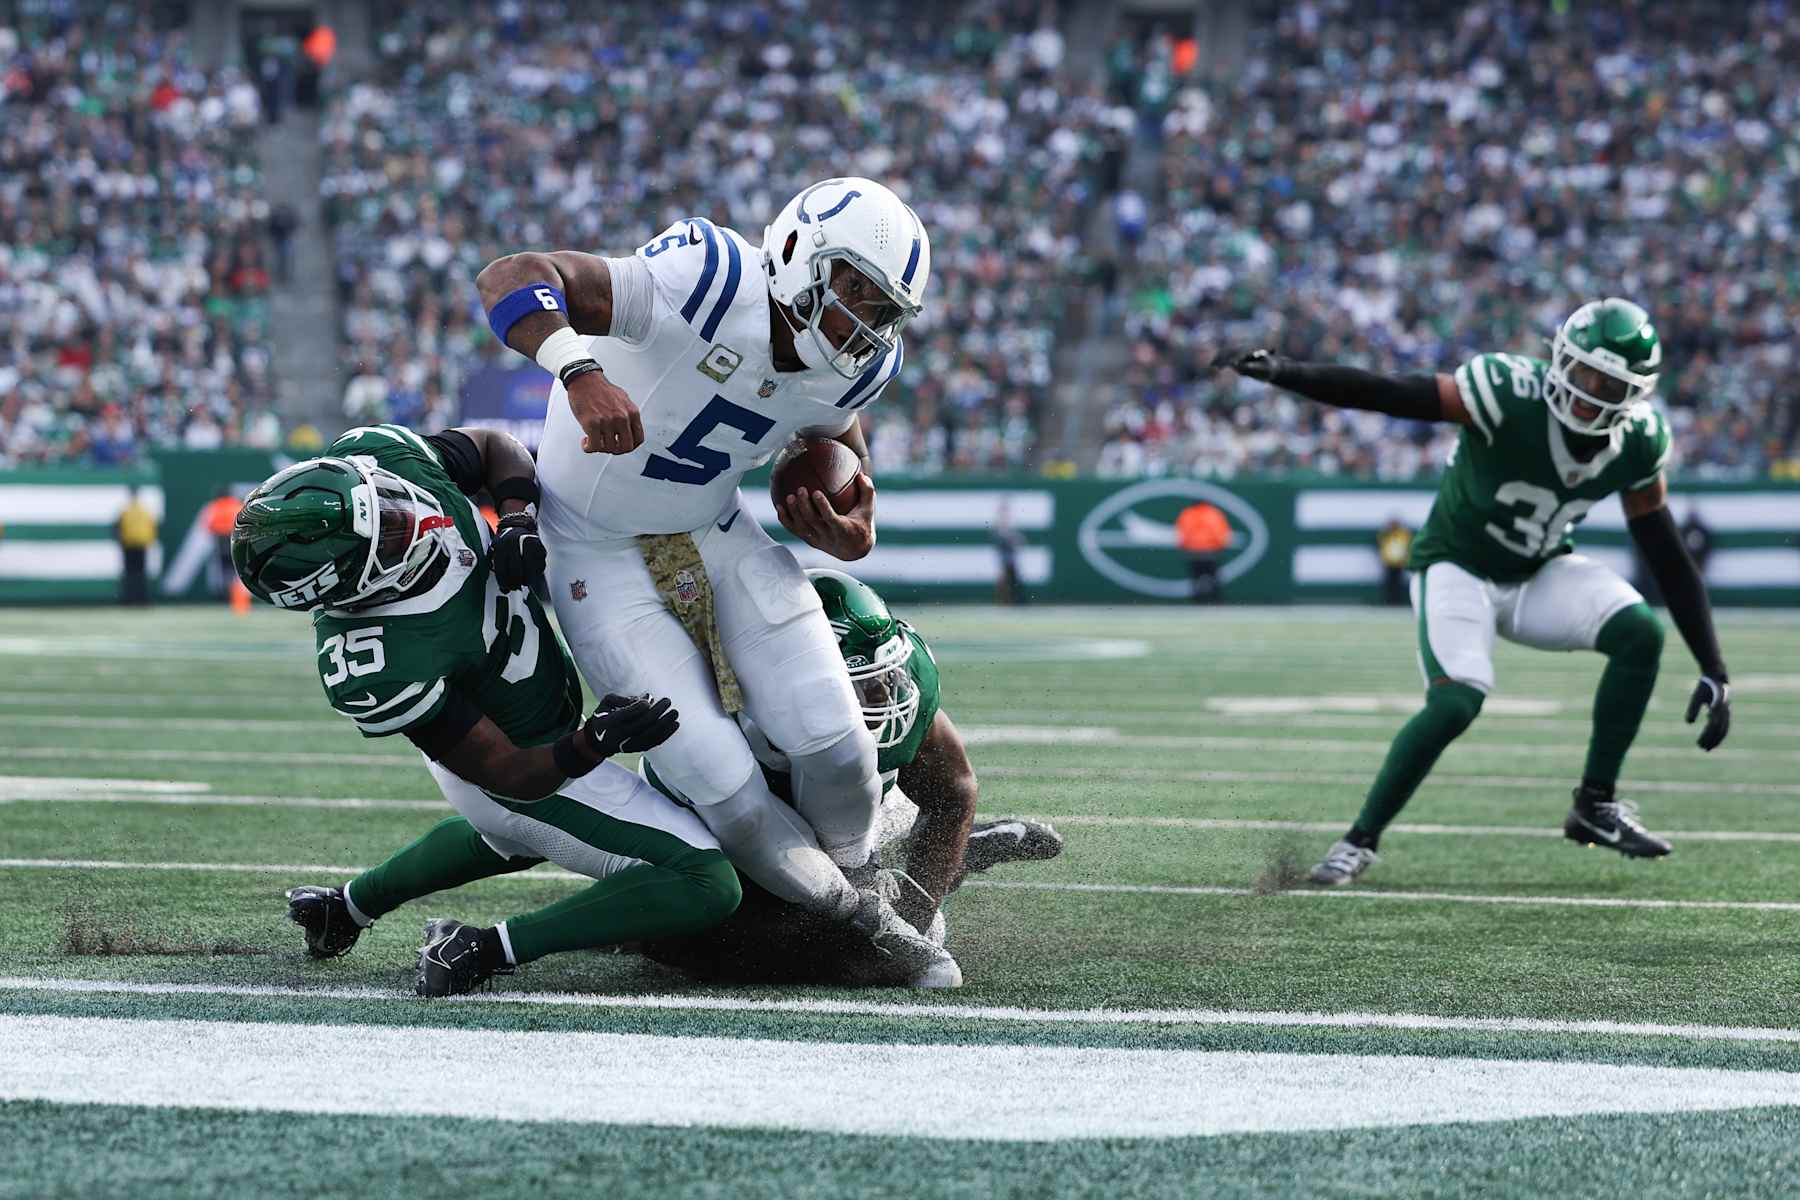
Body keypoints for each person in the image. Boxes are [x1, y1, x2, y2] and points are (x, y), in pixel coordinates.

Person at [474, 177, 959, 987]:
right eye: (854, 294)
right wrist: (579, 371)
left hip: (711, 528)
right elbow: (509, 274)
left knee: (835, 741)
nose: (863, 325)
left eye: (882, 312)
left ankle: (867, 876)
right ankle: (863, 925)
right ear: (801, 255)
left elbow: (835, 432)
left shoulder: (860, 365)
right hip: (594, 549)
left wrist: (851, 517)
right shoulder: (707, 277)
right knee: (722, 783)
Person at [1214, 298, 1732, 884]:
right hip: (1456, 564)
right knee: (1457, 701)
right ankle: (1357, 841)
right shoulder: (1507, 390)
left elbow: (1666, 551)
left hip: (1537, 573)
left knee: (1641, 633)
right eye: (1584, 372)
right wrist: (1288, 372)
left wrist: (1714, 666)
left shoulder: (1639, 438)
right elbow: (1391, 393)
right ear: (1561, 358)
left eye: (1608, 383)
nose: (1589, 392)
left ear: (1634, 392)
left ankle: (1595, 805)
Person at [231, 422, 740, 996]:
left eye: (391, 503)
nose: (416, 518)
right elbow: (510, 776)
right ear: (350, 590)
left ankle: (345, 909)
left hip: (514, 731)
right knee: (706, 882)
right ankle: (482, 947)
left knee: (509, 839)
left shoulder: (378, 459)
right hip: (517, 765)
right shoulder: (375, 658)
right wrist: (595, 741)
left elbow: (496, 447)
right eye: (392, 533)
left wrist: (516, 516)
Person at [638, 569, 1063, 985]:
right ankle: (955, 856)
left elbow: (952, 792)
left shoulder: (897, 687)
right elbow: (754, 839)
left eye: (884, 677)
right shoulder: (717, 721)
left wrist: (913, 917)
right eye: (857, 686)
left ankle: (950, 855)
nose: (882, 697)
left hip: (863, 818)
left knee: (888, 943)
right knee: (705, 944)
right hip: (722, 829)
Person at [1176, 500, 1230, 603]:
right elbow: (1221, 534)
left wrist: (1187, 546)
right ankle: (1216, 602)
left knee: (1196, 580)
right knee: (1214, 580)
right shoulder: (1214, 513)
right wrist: (1219, 545)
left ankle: (1197, 602)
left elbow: (1183, 534)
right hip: (1211, 553)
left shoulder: (1188, 513)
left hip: (1193, 553)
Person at [115, 487, 157, 606]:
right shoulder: (145, 510)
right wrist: (150, 541)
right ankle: (142, 598)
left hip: (128, 545)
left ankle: (128, 598)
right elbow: (151, 527)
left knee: (129, 573)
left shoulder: (125, 510)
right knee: (141, 573)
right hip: (141, 545)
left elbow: (118, 528)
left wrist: (120, 541)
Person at [201, 488, 242, 597]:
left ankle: (224, 595)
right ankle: (237, 597)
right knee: (237, 570)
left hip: (220, 540)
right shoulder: (236, 505)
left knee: (223, 570)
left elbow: (208, 525)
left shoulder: (214, 507)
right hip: (235, 540)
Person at [1377, 517, 1413, 606]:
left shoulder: (1403, 534)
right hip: (1388, 563)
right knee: (1389, 584)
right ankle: (1388, 601)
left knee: (1398, 584)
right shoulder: (1386, 534)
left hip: (1399, 563)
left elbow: (1407, 545)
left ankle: (1397, 602)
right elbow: (1380, 544)